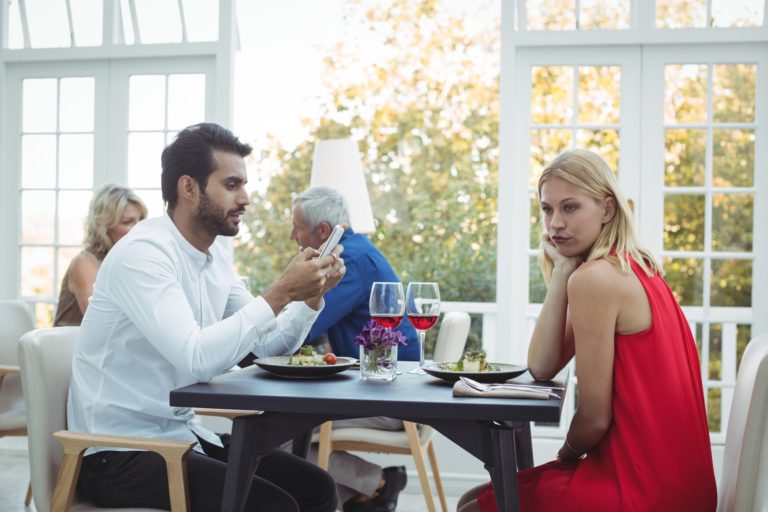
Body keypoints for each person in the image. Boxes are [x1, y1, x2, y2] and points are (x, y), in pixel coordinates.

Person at [67, 123, 346, 512]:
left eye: (245, 185)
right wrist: (280, 291)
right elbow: (195, 358)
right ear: (189, 188)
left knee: (316, 486)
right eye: (232, 185)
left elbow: (267, 346)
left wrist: (309, 297)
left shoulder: (214, 261)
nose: (246, 198)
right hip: (119, 453)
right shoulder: (144, 255)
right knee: (272, 505)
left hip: (181, 436)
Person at [458, 149, 717, 512]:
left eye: (570, 207)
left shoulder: (597, 279)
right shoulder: (633, 267)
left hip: (647, 491)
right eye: (547, 209)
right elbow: (543, 366)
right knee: (478, 498)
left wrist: (566, 456)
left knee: (474, 507)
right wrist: (563, 271)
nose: (555, 224)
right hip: (684, 486)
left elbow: (594, 419)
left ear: (607, 210)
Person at [289, 186, 412, 512]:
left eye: (296, 227)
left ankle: (377, 484)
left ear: (323, 231)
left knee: (277, 433)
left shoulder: (349, 262)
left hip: (393, 397)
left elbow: (303, 328)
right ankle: (367, 494)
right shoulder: (358, 251)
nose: (292, 236)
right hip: (385, 387)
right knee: (280, 427)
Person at [53, 184, 147, 326]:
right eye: (127, 222)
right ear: (103, 226)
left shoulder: (128, 263)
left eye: (141, 220)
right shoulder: (84, 263)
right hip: (68, 346)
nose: (139, 228)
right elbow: (102, 323)